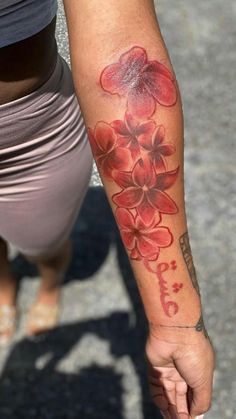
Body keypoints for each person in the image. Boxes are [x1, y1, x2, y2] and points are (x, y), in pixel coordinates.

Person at [0, 0, 215, 417]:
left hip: (26, 138)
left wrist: (175, 320)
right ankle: (4, 283)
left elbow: (124, 58)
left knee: (42, 240)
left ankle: (48, 278)